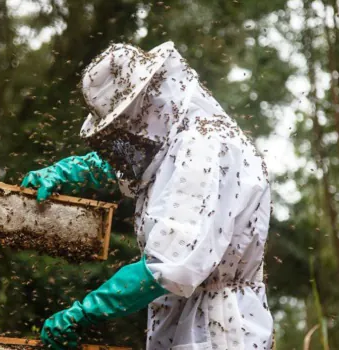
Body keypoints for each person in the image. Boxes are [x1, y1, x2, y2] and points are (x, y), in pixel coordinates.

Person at [21, 41, 274, 350]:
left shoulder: (205, 146)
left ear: (148, 100)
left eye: (125, 122)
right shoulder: (181, 138)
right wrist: (77, 170)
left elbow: (170, 266)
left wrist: (84, 312)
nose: (126, 135)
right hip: (190, 322)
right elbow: (149, 166)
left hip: (217, 331)